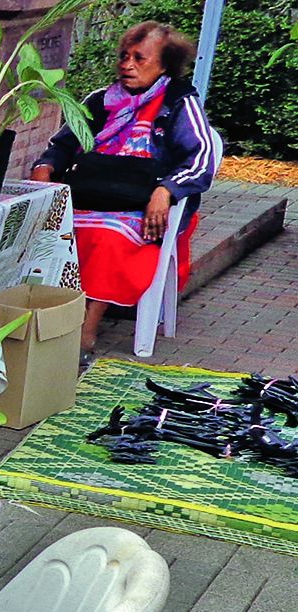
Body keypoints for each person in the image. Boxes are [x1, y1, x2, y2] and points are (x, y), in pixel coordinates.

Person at [28, 20, 218, 359]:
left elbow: (202, 156)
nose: (127, 65)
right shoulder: (100, 100)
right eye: (124, 56)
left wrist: (167, 191)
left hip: (140, 205)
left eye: (139, 58)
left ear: (164, 65)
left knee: (110, 236)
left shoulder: (178, 103)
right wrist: (44, 168)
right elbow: (63, 144)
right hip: (90, 193)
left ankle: (86, 329)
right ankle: (47, 322)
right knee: (47, 231)